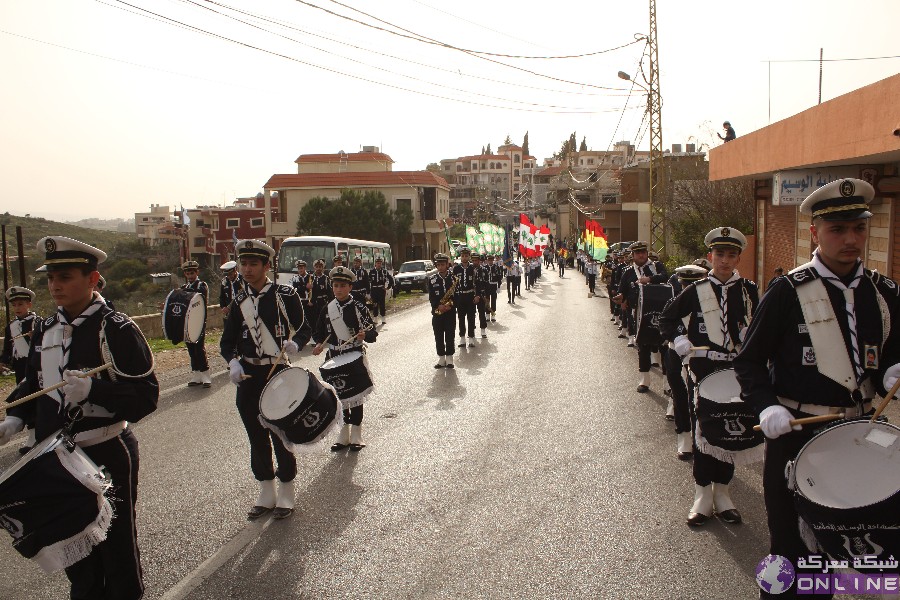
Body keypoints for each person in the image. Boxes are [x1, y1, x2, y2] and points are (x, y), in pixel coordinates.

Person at [734, 179, 900, 598]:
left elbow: (889, 354)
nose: (850, 240)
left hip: (860, 437)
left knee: (857, 547)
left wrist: (893, 371)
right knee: (790, 555)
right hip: (797, 435)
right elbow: (749, 361)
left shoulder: (883, 293)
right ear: (815, 233)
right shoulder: (788, 291)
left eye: (858, 229)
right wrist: (765, 406)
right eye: (837, 230)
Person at [0, 236, 158, 600]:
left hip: (105, 450)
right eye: (51, 278)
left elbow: (147, 397)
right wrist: (17, 418)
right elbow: (33, 382)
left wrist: (94, 392)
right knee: (76, 551)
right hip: (57, 460)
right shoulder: (44, 328)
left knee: (116, 549)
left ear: (92, 279)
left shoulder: (115, 329)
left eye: (66, 277)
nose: (55, 285)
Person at [660, 228, 758, 526]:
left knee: (731, 428)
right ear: (709, 256)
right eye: (719, 254)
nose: (725, 260)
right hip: (703, 369)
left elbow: (759, 322)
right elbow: (668, 317)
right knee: (704, 429)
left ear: (739, 257)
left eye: (731, 255)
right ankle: (702, 493)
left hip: (736, 370)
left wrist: (750, 335)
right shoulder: (696, 289)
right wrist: (679, 340)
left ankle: (723, 493)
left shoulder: (748, 290)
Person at [220, 239, 312, 520]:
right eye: (244, 264)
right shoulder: (238, 302)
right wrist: (233, 362)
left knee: (280, 434)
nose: (247, 269)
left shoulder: (285, 295)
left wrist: (296, 343)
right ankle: (266, 489)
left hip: (278, 374)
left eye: (253, 264)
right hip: (249, 376)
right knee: (255, 435)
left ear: (266, 266)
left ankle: (286, 488)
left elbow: (304, 327)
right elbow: (227, 343)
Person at [312, 266, 377, 451]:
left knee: (355, 396)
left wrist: (366, 335)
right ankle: (343, 434)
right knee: (338, 396)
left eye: (342, 285)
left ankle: (356, 434)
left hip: (353, 355)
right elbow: (319, 332)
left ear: (350, 287)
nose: (338, 289)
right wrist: (318, 344)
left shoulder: (358, 308)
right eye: (335, 285)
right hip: (334, 356)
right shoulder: (327, 308)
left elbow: (372, 332)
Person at [661, 264, 709, 456]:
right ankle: (684, 438)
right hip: (676, 356)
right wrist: (676, 337)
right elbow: (664, 324)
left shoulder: (708, 306)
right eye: (685, 285)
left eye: (694, 285)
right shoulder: (673, 303)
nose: (688, 289)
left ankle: (704, 437)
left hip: (700, 359)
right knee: (681, 397)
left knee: (700, 400)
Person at [617, 241, 669, 390]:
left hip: (659, 313)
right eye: (638, 253)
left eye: (643, 252)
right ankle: (644, 380)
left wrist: (650, 279)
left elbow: (666, 277)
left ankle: (667, 384)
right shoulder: (628, 272)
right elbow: (623, 290)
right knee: (643, 346)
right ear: (632, 255)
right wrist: (620, 297)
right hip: (638, 314)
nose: (641, 255)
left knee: (664, 347)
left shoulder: (656, 266)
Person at [1, 286, 39, 454]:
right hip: (20, 366)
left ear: (29, 305)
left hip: (36, 365)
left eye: (21, 304)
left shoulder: (37, 322)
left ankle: (37, 434)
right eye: (15, 305)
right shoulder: (11, 326)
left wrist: (34, 337)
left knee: (36, 397)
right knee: (23, 399)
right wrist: (4, 363)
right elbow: (8, 349)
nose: (17, 308)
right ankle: (31, 435)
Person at [180, 260, 211, 388]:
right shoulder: (183, 287)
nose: (190, 275)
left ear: (197, 272)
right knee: (191, 349)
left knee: (199, 348)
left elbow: (199, 301)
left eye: (192, 272)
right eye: (187, 273)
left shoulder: (201, 286)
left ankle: (206, 375)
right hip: (187, 323)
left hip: (198, 321)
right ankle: (196, 374)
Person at [428, 253, 457, 369]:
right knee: (438, 335)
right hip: (437, 312)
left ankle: (449, 358)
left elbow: (457, 295)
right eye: (438, 265)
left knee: (450, 335)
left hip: (450, 312)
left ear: (447, 265)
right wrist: (437, 306)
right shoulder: (432, 279)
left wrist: (451, 305)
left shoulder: (454, 278)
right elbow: (431, 297)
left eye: (442, 264)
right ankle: (441, 358)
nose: (440, 267)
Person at [453, 247, 477, 347]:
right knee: (461, 317)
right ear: (460, 256)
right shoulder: (456, 268)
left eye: (466, 256)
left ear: (469, 257)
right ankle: (462, 338)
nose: (464, 258)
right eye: (462, 256)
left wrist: (477, 295)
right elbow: (453, 284)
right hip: (460, 296)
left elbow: (477, 283)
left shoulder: (472, 268)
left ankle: (471, 338)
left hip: (470, 295)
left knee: (471, 318)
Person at [368, 256, 394, 325]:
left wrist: (388, 287)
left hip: (381, 289)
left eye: (380, 263)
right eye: (377, 263)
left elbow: (391, 279)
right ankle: (375, 318)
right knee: (375, 304)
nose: (379, 264)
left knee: (382, 304)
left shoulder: (384, 271)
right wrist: (368, 291)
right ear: (375, 264)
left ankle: (383, 318)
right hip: (374, 289)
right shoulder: (372, 271)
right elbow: (368, 281)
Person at [309, 259, 332, 329]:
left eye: (320, 267)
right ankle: (314, 332)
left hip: (323, 301)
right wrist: (310, 301)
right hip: (314, 302)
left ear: (323, 268)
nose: (318, 268)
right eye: (317, 267)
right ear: (314, 267)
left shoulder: (325, 278)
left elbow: (329, 291)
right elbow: (308, 291)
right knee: (314, 318)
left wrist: (330, 302)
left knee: (323, 317)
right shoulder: (310, 278)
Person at [472, 254, 491, 338]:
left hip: (481, 294)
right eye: (473, 260)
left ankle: (483, 330)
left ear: (479, 261)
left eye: (476, 260)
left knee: (482, 312)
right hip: (471, 295)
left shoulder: (484, 270)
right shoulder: (469, 269)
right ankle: (471, 330)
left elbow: (487, 283)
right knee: (471, 314)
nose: (474, 262)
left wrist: (487, 296)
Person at [291, 259, 313, 326]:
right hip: (299, 301)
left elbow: (315, 290)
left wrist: (312, 301)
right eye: (299, 268)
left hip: (309, 302)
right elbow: (295, 289)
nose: (300, 270)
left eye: (302, 268)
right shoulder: (295, 278)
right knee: (300, 319)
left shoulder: (311, 277)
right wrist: (305, 287)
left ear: (305, 268)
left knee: (310, 320)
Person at [486, 255, 503, 321]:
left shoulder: (496, 267)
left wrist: (498, 287)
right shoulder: (485, 268)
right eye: (489, 260)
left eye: (491, 260)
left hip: (493, 286)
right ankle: (487, 314)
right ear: (487, 260)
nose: (490, 261)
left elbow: (499, 277)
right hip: (487, 286)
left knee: (493, 300)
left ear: (493, 260)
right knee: (487, 301)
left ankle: (493, 314)